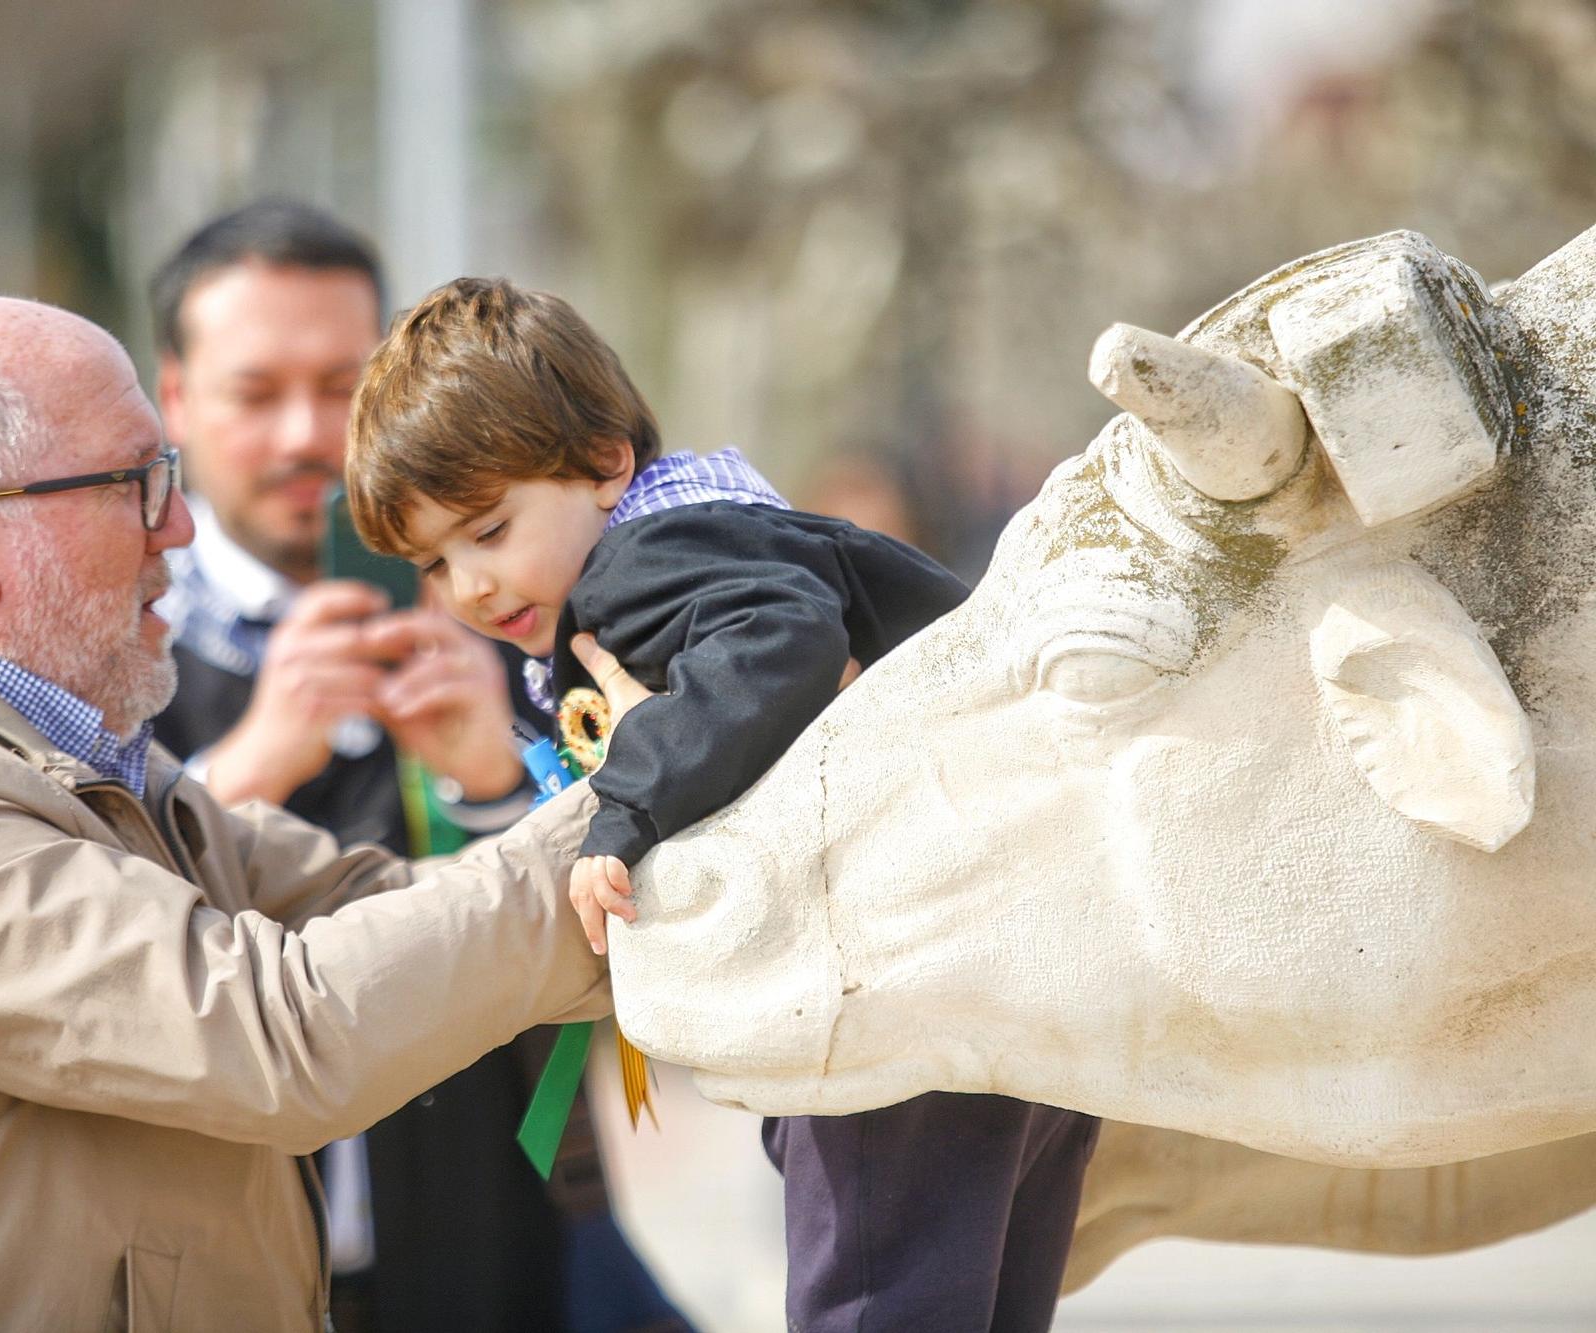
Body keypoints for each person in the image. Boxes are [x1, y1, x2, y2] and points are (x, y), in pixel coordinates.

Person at [0, 293, 634, 1331]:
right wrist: (654, 789)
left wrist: (572, 810)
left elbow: (370, 903)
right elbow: (282, 1032)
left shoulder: (61, 751)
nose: (179, 528)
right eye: (136, 484)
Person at [347, 276, 1102, 1332]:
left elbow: (781, 645)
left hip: (893, 1007)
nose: (469, 585)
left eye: (488, 527)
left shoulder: (644, 563)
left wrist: (625, 804)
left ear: (607, 461)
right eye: (433, 561)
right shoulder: (721, 529)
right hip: (998, 982)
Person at [147, 198, 683, 1332]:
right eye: (255, 392)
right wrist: (245, 763)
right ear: (175, 401)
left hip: (500, 1252)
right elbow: (64, 928)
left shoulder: (527, 609)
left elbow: (640, 959)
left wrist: (496, 782)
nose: (304, 434)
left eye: (341, 386)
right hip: (217, 1275)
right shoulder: (118, 650)